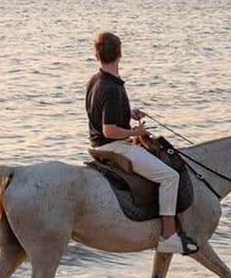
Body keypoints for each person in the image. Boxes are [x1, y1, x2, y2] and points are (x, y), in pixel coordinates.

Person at [85, 32, 198, 255]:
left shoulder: (96, 80)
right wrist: (135, 131)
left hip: (96, 144)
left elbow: (101, 113)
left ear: (97, 55)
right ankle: (168, 236)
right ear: (120, 53)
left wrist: (128, 112)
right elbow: (109, 130)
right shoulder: (113, 88)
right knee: (170, 176)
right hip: (114, 146)